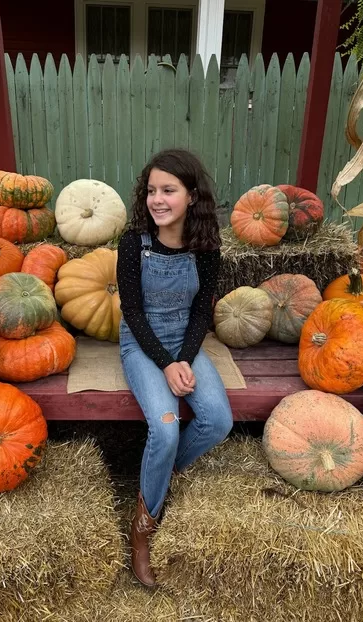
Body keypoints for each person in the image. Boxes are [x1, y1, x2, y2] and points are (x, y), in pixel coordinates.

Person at [117, 148, 233, 587]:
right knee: (164, 427)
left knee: (219, 420)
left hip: (185, 342)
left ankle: (161, 473)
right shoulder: (133, 244)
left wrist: (184, 357)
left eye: (169, 190)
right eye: (151, 190)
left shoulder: (206, 247)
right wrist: (166, 365)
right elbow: (132, 312)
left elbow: (203, 311)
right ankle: (143, 528)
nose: (157, 199)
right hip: (142, 344)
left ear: (191, 196)